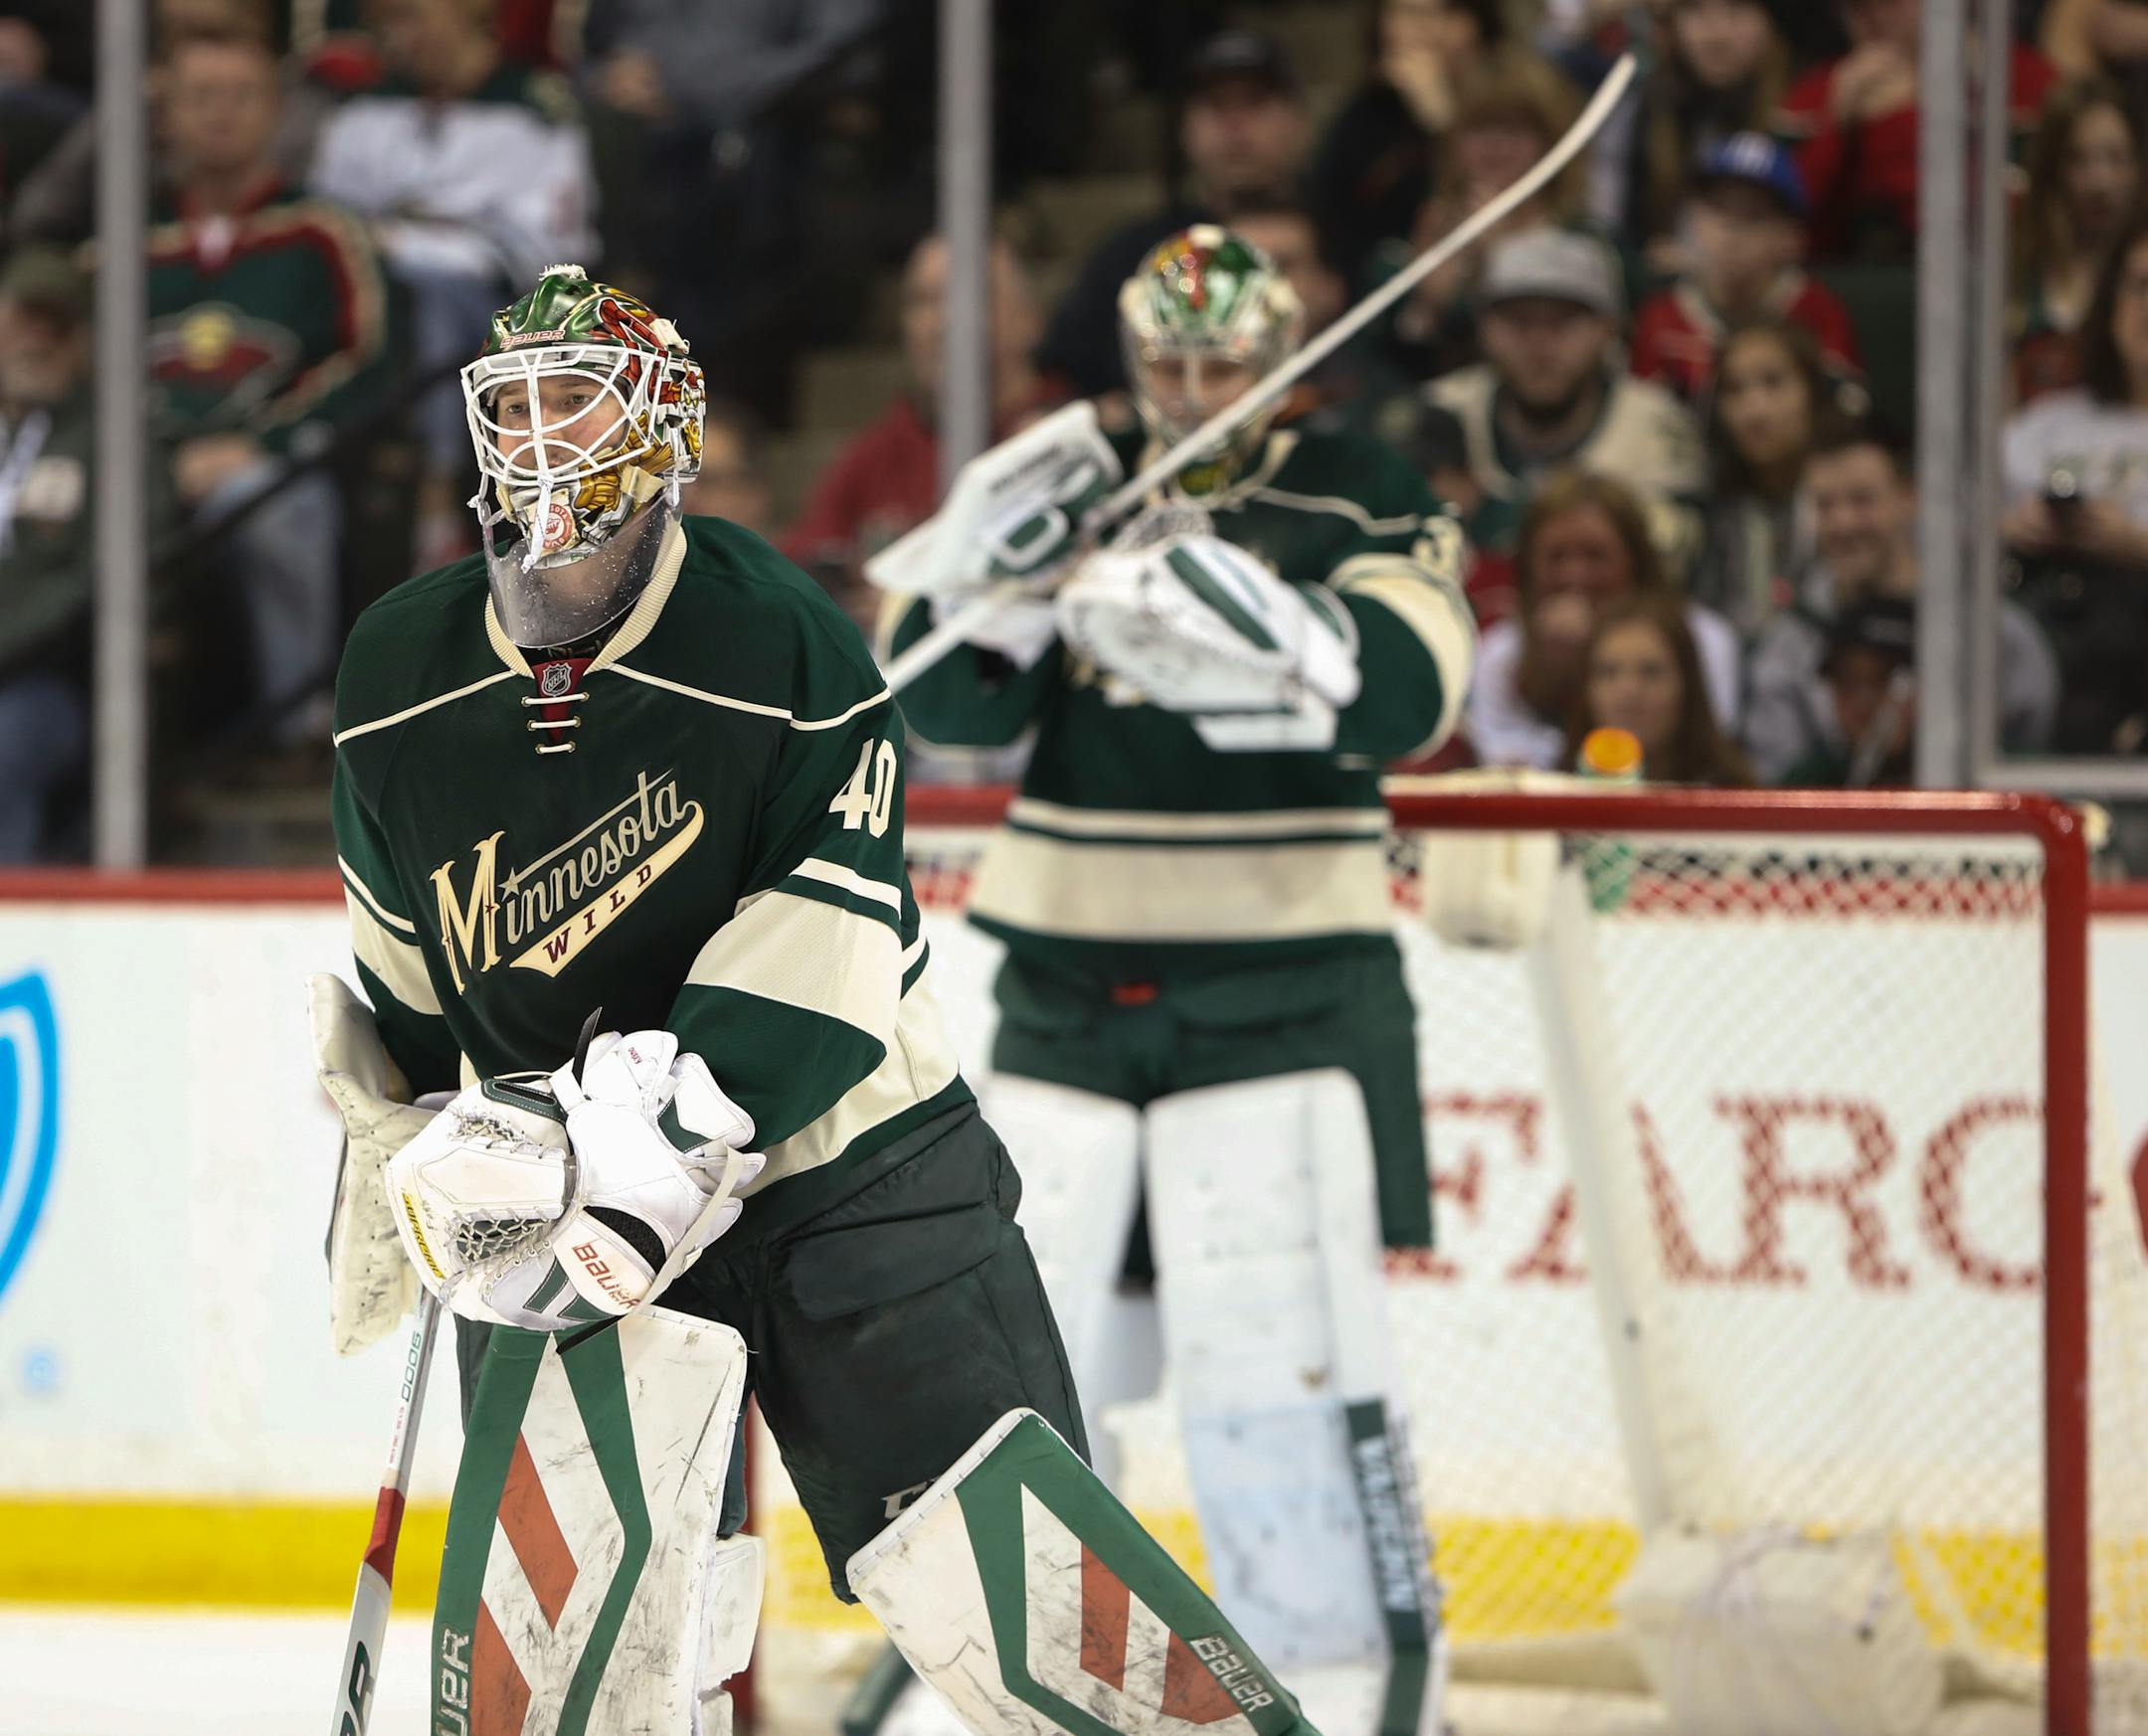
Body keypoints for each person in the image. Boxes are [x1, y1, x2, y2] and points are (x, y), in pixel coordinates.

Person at [319, 263, 1327, 1736]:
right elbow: (407, 964)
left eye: (576, 398)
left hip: (846, 1176)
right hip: (566, 1210)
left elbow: (831, 955)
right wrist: (416, 1145)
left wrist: (647, 1138)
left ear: (663, 433)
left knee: (1031, 1596)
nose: (540, 437)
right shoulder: (398, 669)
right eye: (513, 402)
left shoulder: (778, 637)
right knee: (572, 1655)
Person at [884, 225, 1471, 1736]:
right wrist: (1010, 595)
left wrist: (1288, 630)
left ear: (1285, 357)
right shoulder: (1067, 473)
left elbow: (1416, 695)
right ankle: (1002, 1641)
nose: (1200, 388)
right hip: (1072, 967)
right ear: (1133, 360)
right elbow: (925, 689)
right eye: (1173, 363)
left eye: (1230, 361)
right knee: (1030, 1332)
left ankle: (1340, 1666)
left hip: (1291, 973)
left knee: (1281, 1340)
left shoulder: (1360, 486)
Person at [148, 26, 391, 738]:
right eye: (200, 97)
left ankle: (299, 739)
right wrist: (159, 459)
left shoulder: (323, 231)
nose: (220, 113)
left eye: (241, 96)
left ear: (277, 111)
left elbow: (369, 358)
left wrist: (260, 444)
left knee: (273, 502)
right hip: (142, 476)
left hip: (264, 466)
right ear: (166, 112)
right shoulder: (122, 239)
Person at [309, 0, 598, 564]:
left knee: (435, 301)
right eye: (389, 21)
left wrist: (412, 241)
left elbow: (555, 248)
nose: (398, 35)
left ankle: (438, 494)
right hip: (378, 290)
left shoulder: (533, 107)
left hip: (497, 307)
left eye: (412, 16)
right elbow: (327, 222)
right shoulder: (364, 107)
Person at [1747, 425, 2058, 779]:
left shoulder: (1994, 631)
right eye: (1824, 505)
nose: (1841, 523)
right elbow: (1777, 775)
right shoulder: (1789, 642)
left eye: (1861, 501)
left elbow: (2026, 760)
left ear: (1909, 498)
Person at [1035, 28, 1313, 402]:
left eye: (1254, 103)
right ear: (1186, 127)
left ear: (1298, 120)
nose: (1235, 127)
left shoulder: (1340, 235)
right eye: (1216, 105)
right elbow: (1062, 372)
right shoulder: (1134, 256)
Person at [783, 231, 1059, 595]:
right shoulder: (873, 459)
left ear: (1031, 320)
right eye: (924, 301)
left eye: (973, 295)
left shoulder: (1074, 439)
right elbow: (799, 579)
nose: (944, 321)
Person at [1421, 226, 1706, 577]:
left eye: (1564, 321)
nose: (1540, 343)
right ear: (1484, 327)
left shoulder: (1657, 428)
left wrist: (1487, 516)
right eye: (1519, 321)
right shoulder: (1443, 411)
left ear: (1609, 327)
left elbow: (1664, 559)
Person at [1466, 469, 1739, 770]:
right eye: (1556, 557)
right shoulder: (1499, 654)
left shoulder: (1703, 638)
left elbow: (1703, 749)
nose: (1575, 576)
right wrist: (1553, 676)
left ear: (1636, 560)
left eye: (1595, 555)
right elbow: (1508, 768)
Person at [0, 250, 129, 861]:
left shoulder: (112, 435)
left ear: (84, 341)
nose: (38, 341)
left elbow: (118, 574)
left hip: (51, 683)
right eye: (26, 320)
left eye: (58, 326)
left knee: (8, 741)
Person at [2003, 211, 2148, 750]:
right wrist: (2015, 527)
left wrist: (2133, 545)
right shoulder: (2048, 423)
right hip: (2045, 614)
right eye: (2139, 286)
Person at [1774, 0, 2056, 260]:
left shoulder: (2027, 82)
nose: (1874, 14)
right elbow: (1786, 226)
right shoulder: (1812, 97)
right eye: (1856, 5)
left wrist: (1903, 117)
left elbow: (2022, 221)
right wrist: (1837, 130)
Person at [1309, 0, 1533, 289]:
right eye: (1409, 13)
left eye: (1447, 12)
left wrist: (1440, 119)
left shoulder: (1521, 102)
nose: (1425, 31)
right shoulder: (1361, 118)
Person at [1380, 63, 1585, 379]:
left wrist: (1504, 259)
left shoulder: (1585, 247)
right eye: (1480, 130)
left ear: (1549, 142)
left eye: (1515, 131)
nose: (1497, 146)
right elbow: (1382, 375)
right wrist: (1426, 306)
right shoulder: (1410, 247)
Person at [1629, 132, 1861, 405]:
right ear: (1693, 217)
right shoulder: (1661, 318)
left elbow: (1845, 416)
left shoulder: (1816, 314)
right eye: (1719, 210)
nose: (1732, 233)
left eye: (1754, 216)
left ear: (1790, 238)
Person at [1692, 317, 1863, 637]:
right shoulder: (1715, 513)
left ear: (1811, 391)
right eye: (1734, 390)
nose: (1754, 410)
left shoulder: (1851, 502)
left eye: (1773, 383)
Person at [1617, 0, 1793, 261]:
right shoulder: (1646, 110)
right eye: (1695, 9)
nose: (1717, 35)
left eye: (1737, 9)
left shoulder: (1802, 110)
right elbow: (1619, 228)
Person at [2013, 77, 2141, 403]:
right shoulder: (2015, 273)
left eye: (2116, 158)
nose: (2100, 182)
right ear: (2052, 168)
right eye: (2078, 159)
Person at [1562, 591, 1758, 784]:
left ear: (1687, 685)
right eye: (1608, 672)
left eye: (1651, 672)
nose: (1628, 690)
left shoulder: (1733, 797)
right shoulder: (1551, 791)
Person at [1778, 597, 1918, 785]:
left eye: (1881, 680)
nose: (1862, 701)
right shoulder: (1810, 786)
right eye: (1847, 682)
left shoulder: (1957, 781)